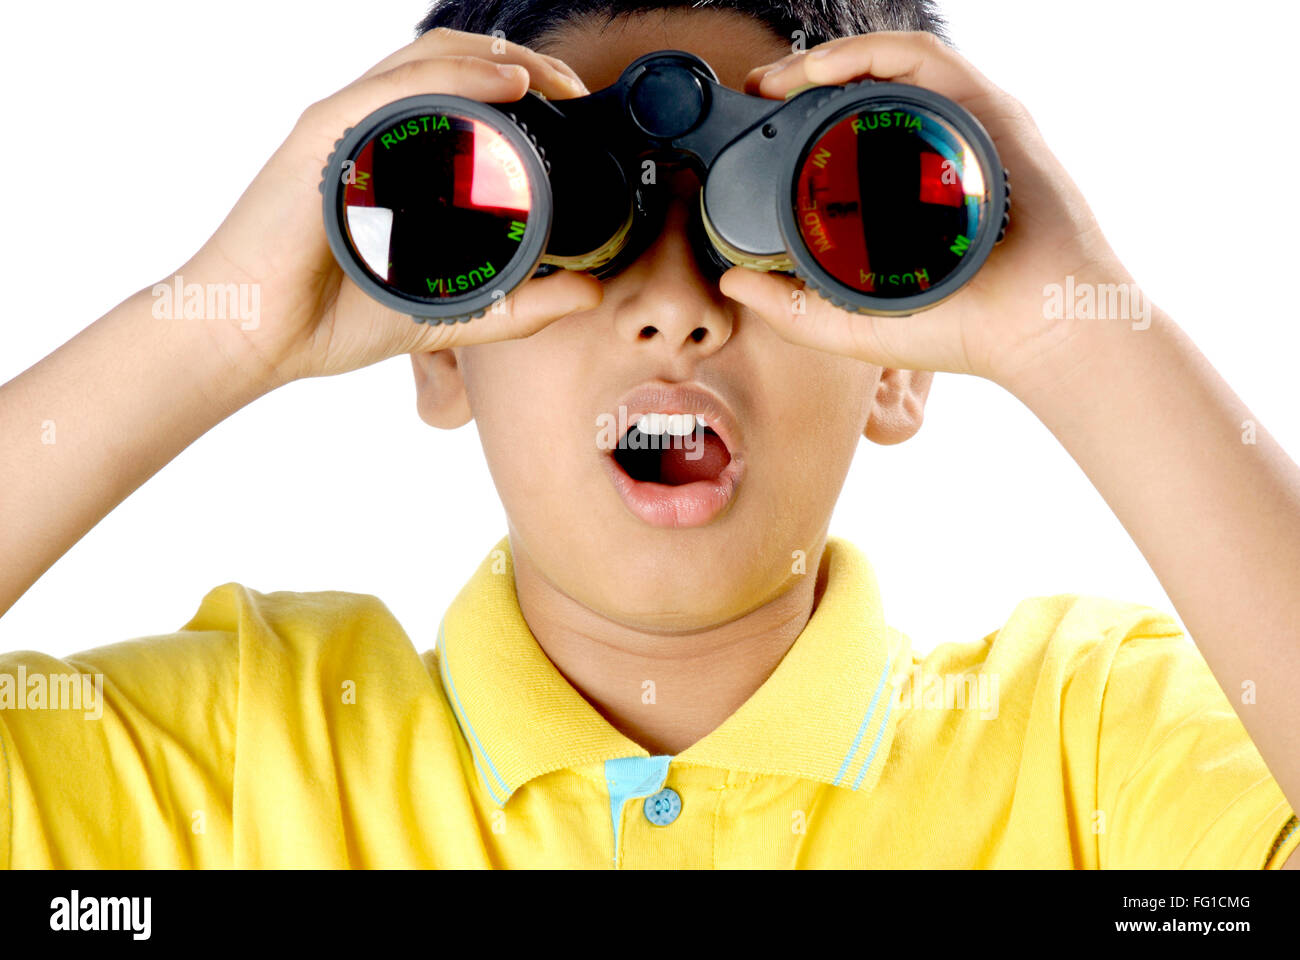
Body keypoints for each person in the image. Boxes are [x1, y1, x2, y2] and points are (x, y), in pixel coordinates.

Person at [1, 0, 1297, 868]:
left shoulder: (1092, 753)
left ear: (899, 365)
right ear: (441, 346)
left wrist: (1073, 329)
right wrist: (221, 324)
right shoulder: (236, 762)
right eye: (573, 240)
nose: (675, 308)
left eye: (780, 232)